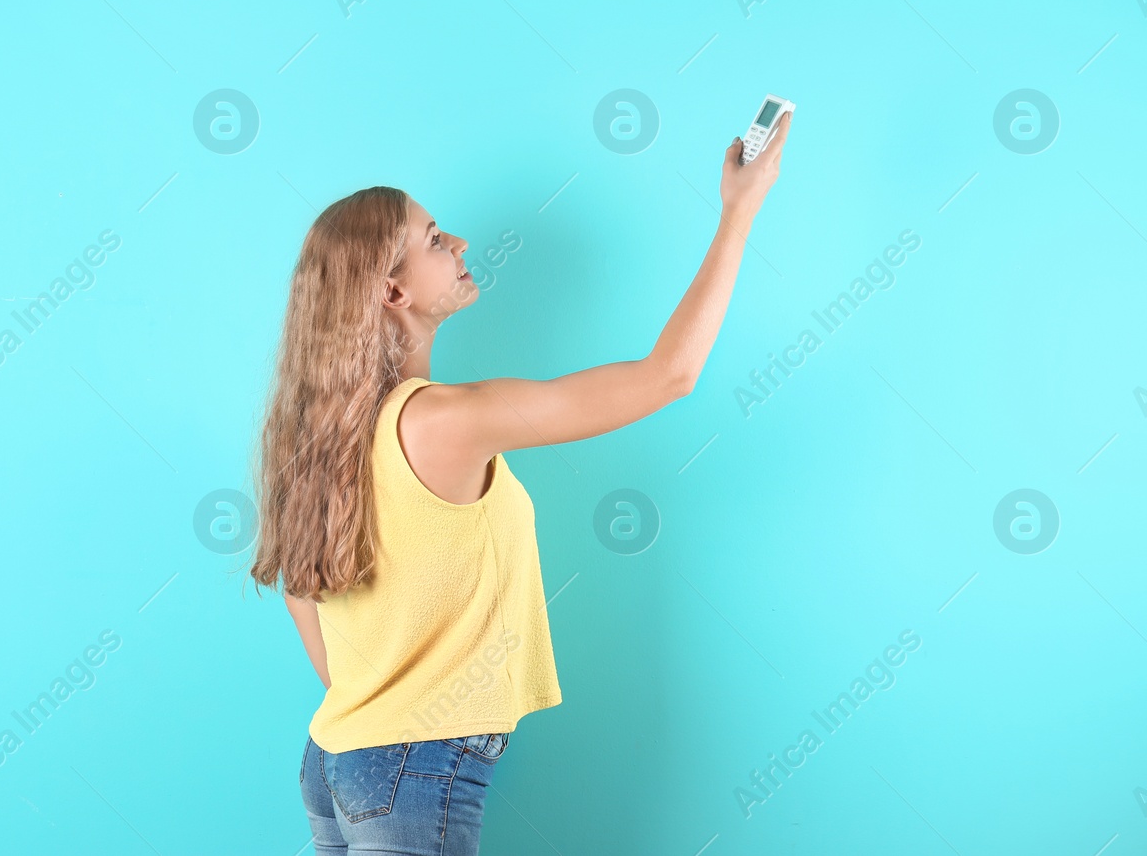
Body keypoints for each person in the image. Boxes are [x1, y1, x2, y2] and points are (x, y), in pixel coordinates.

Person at [248, 111, 793, 854]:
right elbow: (670, 373)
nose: (460, 244)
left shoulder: (325, 432)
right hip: (412, 765)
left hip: (338, 757)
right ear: (393, 292)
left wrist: (373, 703)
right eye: (435, 239)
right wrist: (740, 211)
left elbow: (298, 586)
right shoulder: (441, 420)